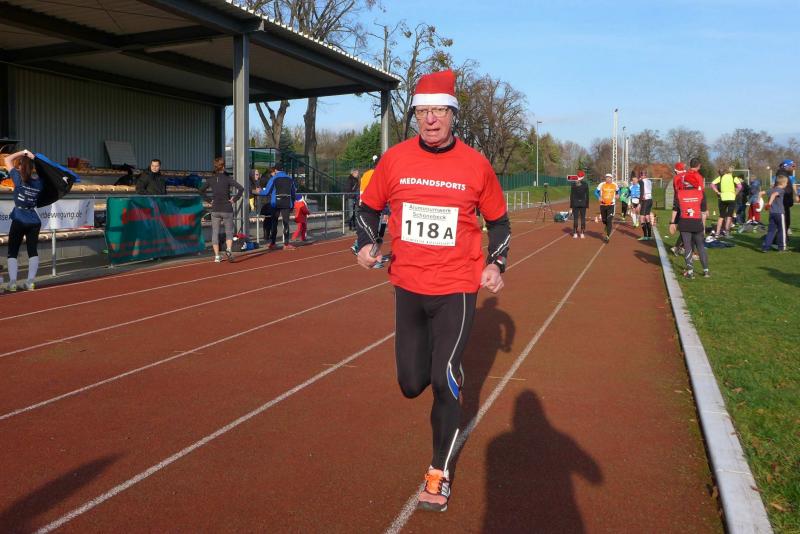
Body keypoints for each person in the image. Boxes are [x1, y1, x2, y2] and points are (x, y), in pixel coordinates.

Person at [355, 70, 510, 512]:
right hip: (408, 285)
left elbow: (499, 222)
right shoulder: (394, 160)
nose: (431, 119)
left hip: (456, 286)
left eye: (439, 110)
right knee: (410, 383)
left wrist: (495, 263)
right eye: (423, 111)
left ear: (453, 114)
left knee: (444, 376)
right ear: (415, 116)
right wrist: (364, 243)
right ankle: (442, 377)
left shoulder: (475, 164)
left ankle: (438, 472)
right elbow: (367, 209)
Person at [2, 149, 42, 291]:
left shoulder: (18, 179)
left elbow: (7, 160)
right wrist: (35, 159)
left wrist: (23, 152)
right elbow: (47, 172)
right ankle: (30, 282)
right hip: (34, 220)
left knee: (12, 251)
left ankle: (13, 283)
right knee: (33, 251)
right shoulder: (39, 183)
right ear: (32, 168)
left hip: (19, 219)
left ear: (20, 166)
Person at [669, 157, 709, 279]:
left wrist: (672, 223)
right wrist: (703, 226)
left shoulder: (680, 193)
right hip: (697, 222)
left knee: (687, 247)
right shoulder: (700, 193)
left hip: (685, 222)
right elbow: (703, 212)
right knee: (700, 246)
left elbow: (675, 209)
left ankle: (690, 272)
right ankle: (706, 271)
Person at [199, 157, 243, 263]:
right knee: (229, 232)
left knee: (215, 232)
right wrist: (234, 199)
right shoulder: (227, 179)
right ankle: (228, 250)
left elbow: (200, 191)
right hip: (227, 208)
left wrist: (209, 200)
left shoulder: (211, 179)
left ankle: (217, 256)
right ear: (223, 167)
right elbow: (241, 188)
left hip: (215, 209)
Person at [259, 166, 296, 250]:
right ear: (283, 169)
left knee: (274, 223)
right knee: (286, 223)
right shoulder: (290, 179)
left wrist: (259, 191)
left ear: (276, 170)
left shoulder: (274, 178)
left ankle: (273, 243)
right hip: (287, 203)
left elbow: (266, 192)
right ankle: (286, 244)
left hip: (275, 203)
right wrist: (292, 204)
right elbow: (293, 193)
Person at [710, 167, 742, 238]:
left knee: (721, 216)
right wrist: (736, 193)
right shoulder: (734, 177)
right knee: (729, 216)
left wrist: (717, 192)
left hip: (722, 198)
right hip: (731, 198)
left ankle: (717, 233)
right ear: (731, 172)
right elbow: (740, 186)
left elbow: (712, 184)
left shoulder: (721, 177)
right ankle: (727, 233)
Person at [762, 175, 788, 252]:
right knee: (782, 231)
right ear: (783, 183)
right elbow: (774, 194)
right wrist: (769, 204)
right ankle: (782, 247)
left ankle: (765, 247)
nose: (787, 184)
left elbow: (761, 192)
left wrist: (758, 201)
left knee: (771, 231)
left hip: (772, 213)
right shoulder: (781, 190)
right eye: (786, 183)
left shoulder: (772, 189)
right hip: (779, 213)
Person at [775, 159, 797, 235]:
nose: (793, 168)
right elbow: (780, 188)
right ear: (786, 166)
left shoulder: (785, 174)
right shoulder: (782, 174)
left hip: (785, 202)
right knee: (784, 221)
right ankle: (780, 238)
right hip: (783, 202)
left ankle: (782, 237)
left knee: (786, 221)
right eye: (792, 166)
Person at [594, 173, 618, 242]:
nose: (608, 179)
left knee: (609, 220)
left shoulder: (615, 185)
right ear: (605, 178)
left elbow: (618, 191)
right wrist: (599, 197)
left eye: (609, 178)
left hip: (611, 205)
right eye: (607, 178)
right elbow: (595, 192)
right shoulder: (601, 184)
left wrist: (618, 194)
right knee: (604, 220)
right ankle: (606, 225)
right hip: (603, 205)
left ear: (611, 179)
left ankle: (607, 236)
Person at [569, 170, 589, 238]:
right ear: (583, 177)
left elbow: (571, 195)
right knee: (583, 218)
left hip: (575, 203)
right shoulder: (585, 184)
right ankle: (582, 233)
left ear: (577, 176)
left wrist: (571, 205)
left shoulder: (573, 184)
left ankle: (575, 233)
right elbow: (587, 195)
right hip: (583, 203)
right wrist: (587, 204)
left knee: (575, 218)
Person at [638, 170, 654, 240]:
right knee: (647, 217)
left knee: (642, 218)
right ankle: (649, 236)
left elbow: (642, 192)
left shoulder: (641, 181)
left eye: (641, 175)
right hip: (650, 200)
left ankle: (645, 236)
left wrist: (639, 203)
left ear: (641, 175)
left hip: (645, 200)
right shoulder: (649, 181)